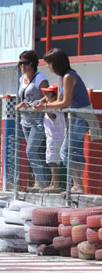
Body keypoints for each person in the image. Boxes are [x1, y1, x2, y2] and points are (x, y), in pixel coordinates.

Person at [34, 48, 92, 193]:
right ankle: (77, 185)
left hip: (81, 117)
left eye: (49, 63)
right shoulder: (62, 77)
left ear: (56, 63)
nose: (47, 66)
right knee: (75, 151)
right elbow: (59, 101)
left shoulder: (68, 77)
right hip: (75, 117)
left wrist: (45, 106)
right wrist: (44, 105)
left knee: (66, 151)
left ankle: (77, 185)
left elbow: (64, 103)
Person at [12, 50, 49, 191]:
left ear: (32, 64)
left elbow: (49, 95)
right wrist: (19, 104)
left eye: (25, 63)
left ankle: (41, 182)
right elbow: (22, 98)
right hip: (25, 121)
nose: (22, 66)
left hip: (38, 121)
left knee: (30, 151)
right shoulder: (22, 79)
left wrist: (34, 103)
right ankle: (44, 182)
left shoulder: (40, 78)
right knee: (36, 152)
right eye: (20, 63)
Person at [40, 85, 66, 192]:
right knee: (54, 161)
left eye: (48, 93)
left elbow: (52, 115)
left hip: (54, 138)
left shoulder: (53, 108)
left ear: (54, 95)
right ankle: (53, 183)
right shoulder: (54, 106)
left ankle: (56, 185)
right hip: (56, 137)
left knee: (52, 162)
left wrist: (44, 107)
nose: (45, 95)